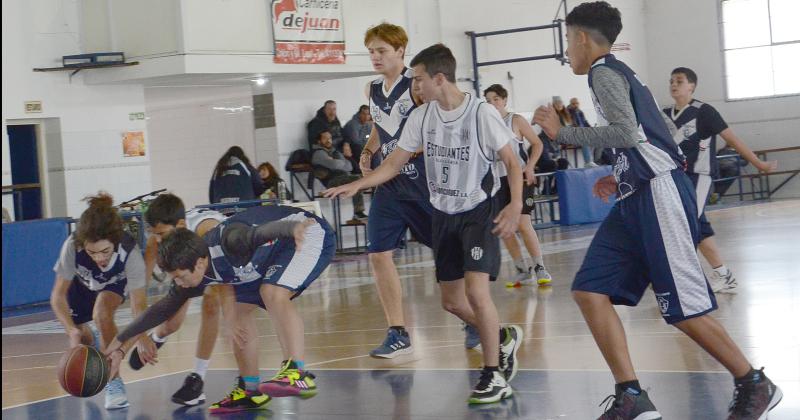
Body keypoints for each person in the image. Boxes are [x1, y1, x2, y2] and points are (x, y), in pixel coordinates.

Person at [533, 3, 781, 419]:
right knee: (590, 289)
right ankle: (631, 396)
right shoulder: (621, 73)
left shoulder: (603, 72)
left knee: (682, 309)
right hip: (637, 192)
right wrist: (623, 170)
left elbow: (628, 131)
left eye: (567, 41)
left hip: (659, 197)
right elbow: (654, 134)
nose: (567, 51)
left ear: (579, 38)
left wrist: (565, 132)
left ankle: (754, 382)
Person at [326, 43, 524, 405]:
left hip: (479, 211)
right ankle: (503, 335)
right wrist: (357, 183)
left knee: (477, 293)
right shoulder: (422, 118)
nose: (414, 86)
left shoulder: (480, 113)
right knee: (451, 302)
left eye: (418, 80)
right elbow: (393, 164)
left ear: (438, 78)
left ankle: (493, 374)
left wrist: (514, 205)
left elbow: (511, 162)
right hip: (443, 213)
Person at [104, 205, 335, 414]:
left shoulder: (230, 240)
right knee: (237, 312)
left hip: (303, 233)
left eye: (182, 278)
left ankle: (296, 372)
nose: (181, 284)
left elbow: (261, 233)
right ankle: (250, 390)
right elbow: (160, 310)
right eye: (176, 279)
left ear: (201, 263)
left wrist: (292, 227)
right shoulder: (192, 269)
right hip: (268, 254)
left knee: (272, 292)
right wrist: (119, 346)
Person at [357, 22, 481, 359]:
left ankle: (474, 318)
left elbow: (442, 127)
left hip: (426, 186)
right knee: (378, 254)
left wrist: (407, 152)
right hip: (391, 187)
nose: (375, 56)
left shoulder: (416, 86)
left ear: (400, 51)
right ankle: (397, 331)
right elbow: (382, 130)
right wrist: (369, 151)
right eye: (371, 51)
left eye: (381, 50)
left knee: (449, 262)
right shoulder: (371, 88)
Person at [663, 67, 777, 294]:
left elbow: (732, 139)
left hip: (699, 176)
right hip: (674, 178)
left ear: (691, 86)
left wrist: (759, 164)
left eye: (679, 81)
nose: (674, 84)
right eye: (671, 81)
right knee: (698, 227)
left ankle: (683, 281)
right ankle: (723, 275)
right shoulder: (663, 114)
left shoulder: (704, 111)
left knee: (685, 225)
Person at [124, 194, 227, 406]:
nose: (158, 240)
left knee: (211, 302)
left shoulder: (207, 232)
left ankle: (197, 380)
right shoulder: (158, 240)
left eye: (161, 234)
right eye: (154, 235)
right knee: (171, 324)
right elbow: (139, 290)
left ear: (180, 225)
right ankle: (158, 337)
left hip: (218, 263)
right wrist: (141, 336)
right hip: (185, 269)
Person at [49, 193, 148, 410]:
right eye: (92, 252)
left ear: (115, 240)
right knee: (82, 335)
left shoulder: (129, 253)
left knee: (102, 312)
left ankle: (114, 382)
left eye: (105, 251)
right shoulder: (72, 247)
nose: (99, 258)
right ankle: (92, 341)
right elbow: (57, 296)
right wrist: (71, 331)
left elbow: (140, 310)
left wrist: (135, 341)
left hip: (113, 285)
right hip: (82, 284)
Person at [483, 83, 553, 285]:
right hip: (497, 180)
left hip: (519, 176)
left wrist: (530, 166)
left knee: (522, 222)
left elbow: (537, 144)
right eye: (488, 101)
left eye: (496, 99)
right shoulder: (485, 123)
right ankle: (522, 268)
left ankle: (540, 266)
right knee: (502, 225)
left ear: (504, 100)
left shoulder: (516, 120)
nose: (493, 103)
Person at [311, 130, 368, 221]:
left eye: (330, 138)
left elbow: (349, 166)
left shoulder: (335, 152)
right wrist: (340, 162)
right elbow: (335, 165)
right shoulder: (318, 153)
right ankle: (358, 213)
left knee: (365, 178)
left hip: (345, 178)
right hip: (331, 182)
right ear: (319, 141)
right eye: (325, 138)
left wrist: (336, 160)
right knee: (358, 180)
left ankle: (358, 213)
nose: (328, 140)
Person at [568, 97, 598, 167]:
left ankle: (596, 161)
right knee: (584, 140)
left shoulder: (580, 112)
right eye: (573, 104)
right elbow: (570, 125)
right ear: (570, 104)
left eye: (577, 103)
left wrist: (592, 129)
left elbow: (585, 122)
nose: (575, 105)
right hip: (574, 135)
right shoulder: (568, 112)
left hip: (583, 132)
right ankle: (588, 162)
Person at [343, 104, 373, 169]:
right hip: (352, 148)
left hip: (363, 146)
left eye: (368, 114)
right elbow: (356, 141)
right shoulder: (352, 124)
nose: (365, 117)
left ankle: (376, 172)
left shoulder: (369, 124)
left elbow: (371, 138)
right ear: (359, 114)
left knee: (376, 152)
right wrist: (368, 148)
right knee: (361, 149)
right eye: (363, 114)